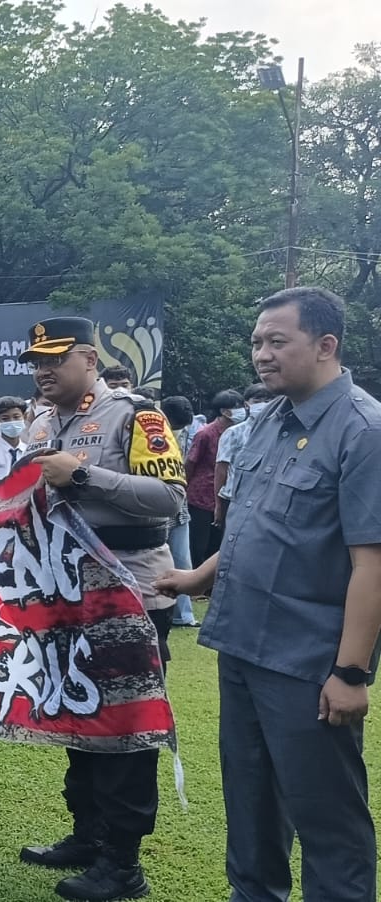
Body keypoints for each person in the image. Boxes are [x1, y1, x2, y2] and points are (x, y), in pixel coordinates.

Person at [157, 286, 380, 902]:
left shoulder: (363, 431)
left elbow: (373, 565)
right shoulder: (270, 421)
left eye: (276, 341)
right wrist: (197, 576)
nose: (261, 354)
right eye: (257, 341)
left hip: (307, 660)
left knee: (326, 815)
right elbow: (259, 524)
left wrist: (351, 671)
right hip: (243, 643)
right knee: (250, 803)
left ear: (326, 345)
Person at [15, 317, 185, 901]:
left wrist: (83, 475)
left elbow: (171, 499)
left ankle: (124, 861)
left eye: (54, 359)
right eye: (35, 361)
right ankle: (87, 833)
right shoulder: (39, 420)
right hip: (63, 588)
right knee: (79, 713)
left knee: (125, 726)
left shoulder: (136, 415)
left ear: (89, 358)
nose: (42, 370)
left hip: (129, 587)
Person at [184, 388, 242, 567]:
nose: (243, 410)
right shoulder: (206, 433)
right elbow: (190, 463)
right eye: (238, 407)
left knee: (218, 544)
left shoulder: (239, 432)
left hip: (226, 495)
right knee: (198, 543)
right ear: (225, 411)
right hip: (201, 496)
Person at [159, 395, 199, 628]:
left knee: (183, 561)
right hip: (154, 511)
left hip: (180, 508)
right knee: (158, 560)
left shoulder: (184, 434)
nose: (175, 431)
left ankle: (183, 615)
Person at [213, 383, 276, 525]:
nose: (263, 405)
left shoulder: (280, 432)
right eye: (257, 401)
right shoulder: (234, 433)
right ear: (247, 404)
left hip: (266, 502)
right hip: (235, 499)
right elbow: (221, 469)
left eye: (268, 400)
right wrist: (218, 505)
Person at [0, 396, 30, 478]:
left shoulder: (29, 452)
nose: (12, 422)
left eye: (16, 417)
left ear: (24, 417)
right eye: (5, 418)